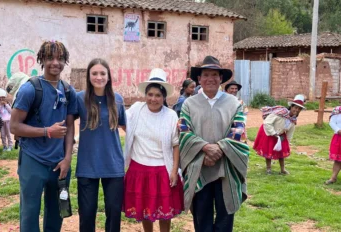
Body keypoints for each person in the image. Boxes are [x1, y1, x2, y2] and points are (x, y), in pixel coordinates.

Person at [10, 40, 77, 232]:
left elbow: (70, 125)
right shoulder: (30, 89)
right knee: (30, 212)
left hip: (59, 164)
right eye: (50, 58)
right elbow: (14, 126)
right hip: (33, 160)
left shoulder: (67, 90)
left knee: (57, 211)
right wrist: (47, 131)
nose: (55, 62)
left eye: (60, 58)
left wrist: (67, 159)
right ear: (42, 59)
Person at [179, 56, 249, 232]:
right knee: (201, 215)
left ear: (221, 79)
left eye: (215, 75)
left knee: (225, 216)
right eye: (206, 74)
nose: (210, 78)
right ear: (199, 79)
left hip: (226, 166)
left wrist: (219, 149)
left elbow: (238, 130)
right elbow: (183, 131)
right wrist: (204, 149)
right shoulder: (189, 104)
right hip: (199, 166)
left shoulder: (234, 103)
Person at [123, 68, 183, 232]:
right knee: (144, 210)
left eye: (158, 95)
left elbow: (175, 144)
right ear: (145, 95)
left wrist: (174, 169)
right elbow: (122, 122)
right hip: (139, 168)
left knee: (165, 211)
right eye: (150, 94)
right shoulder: (136, 109)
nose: (153, 99)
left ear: (164, 97)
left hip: (162, 169)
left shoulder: (170, 115)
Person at [76, 58, 126, 232]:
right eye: (95, 73)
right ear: (89, 76)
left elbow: (128, 129)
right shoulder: (79, 99)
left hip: (113, 165)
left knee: (113, 214)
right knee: (87, 213)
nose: (99, 77)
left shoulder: (117, 100)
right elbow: (66, 124)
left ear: (109, 76)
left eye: (102, 73)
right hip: (87, 165)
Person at [253, 94, 305, 175]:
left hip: (280, 134)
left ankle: (282, 169)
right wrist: (273, 133)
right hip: (269, 131)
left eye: (299, 109)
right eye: (295, 107)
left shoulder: (293, 120)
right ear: (291, 107)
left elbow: (290, 131)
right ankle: (268, 169)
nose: (297, 110)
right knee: (269, 149)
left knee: (282, 151)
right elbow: (267, 122)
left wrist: (287, 141)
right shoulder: (280, 113)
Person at [325, 106, 341, 184]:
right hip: (339, 137)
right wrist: (338, 130)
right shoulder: (337, 111)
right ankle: (333, 178)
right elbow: (332, 122)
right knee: (338, 160)